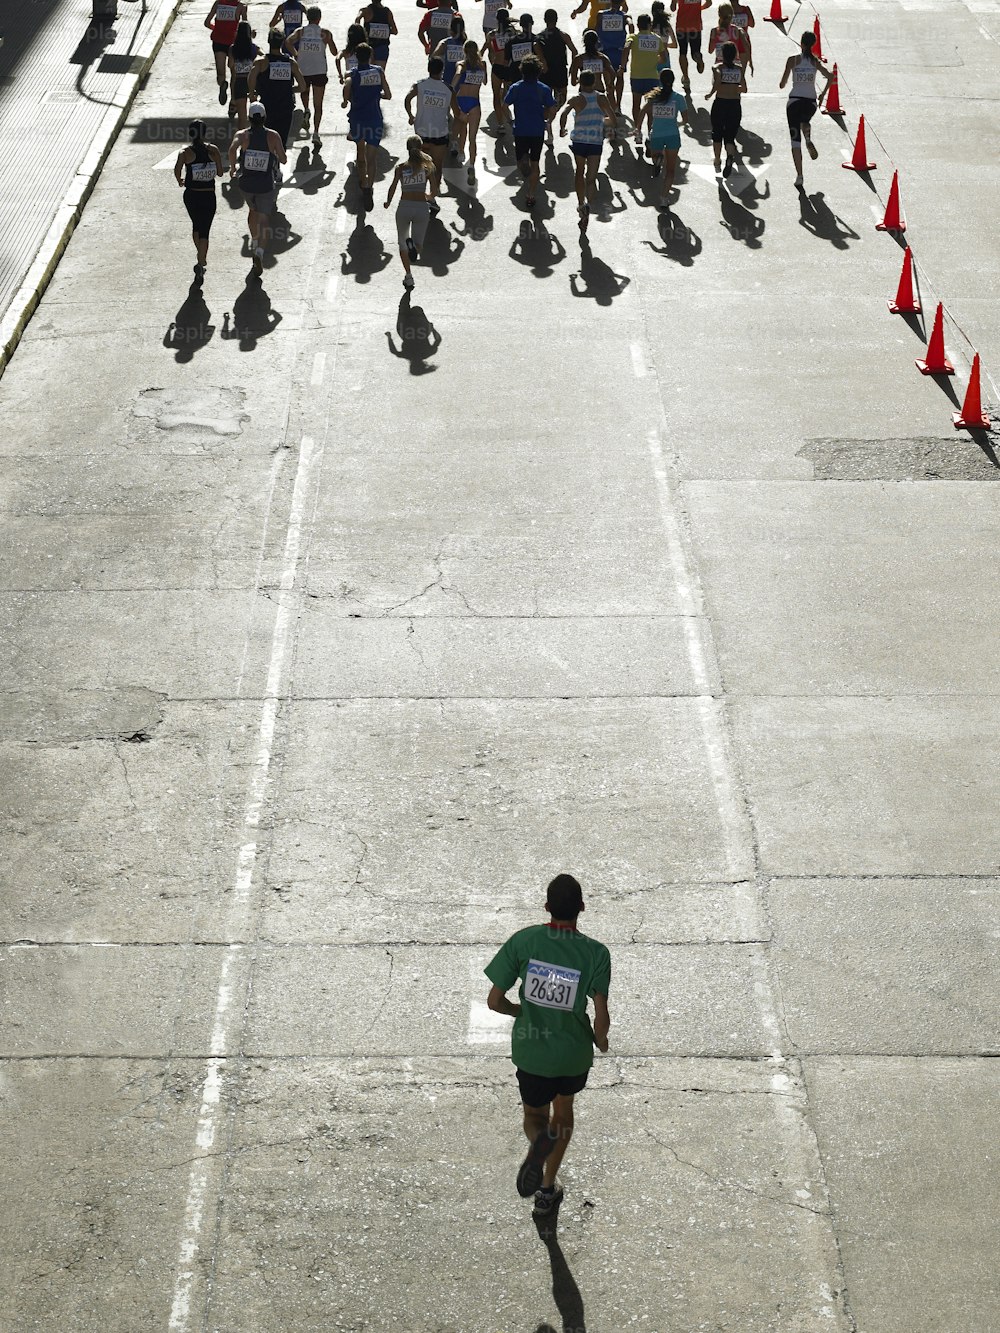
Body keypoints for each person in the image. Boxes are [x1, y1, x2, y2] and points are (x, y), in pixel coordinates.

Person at [484, 874, 611, 1219]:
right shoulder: (595, 953)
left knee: (535, 1116)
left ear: (547, 907)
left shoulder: (524, 941)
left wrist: (519, 1011)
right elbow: (601, 1015)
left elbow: (495, 1001)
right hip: (572, 1055)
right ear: (581, 908)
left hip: (533, 1052)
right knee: (563, 1112)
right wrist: (601, 1041)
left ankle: (539, 1146)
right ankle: (545, 1190)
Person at [228, 101, 286, 274]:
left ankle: (254, 240)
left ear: (249, 118)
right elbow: (283, 160)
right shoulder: (273, 136)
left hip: (246, 184)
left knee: (252, 211)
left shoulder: (243, 135)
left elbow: (232, 150)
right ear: (265, 117)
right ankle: (259, 252)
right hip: (265, 185)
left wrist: (233, 168)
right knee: (264, 219)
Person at [559, 70, 615, 229]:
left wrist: (562, 128)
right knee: (591, 178)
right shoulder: (601, 98)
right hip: (595, 142)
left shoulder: (576, 99)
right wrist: (602, 121)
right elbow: (613, 120)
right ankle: (588, 205)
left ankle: (580, 203)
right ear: (594, 82)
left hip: (579, 141)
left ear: (580, 83)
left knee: (579, 172)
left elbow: (564, 113)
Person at [384, 135, 438, 288]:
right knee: (418, 244)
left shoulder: (401, 168)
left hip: (404, 206)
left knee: (402, 243)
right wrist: (428, 197)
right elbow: (435, 190)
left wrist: (388, 202)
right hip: (421, 207)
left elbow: (393, 186)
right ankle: (413, 247)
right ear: (421, 148)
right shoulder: (427, 167)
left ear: (407, 149)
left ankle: (408, 276)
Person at [779, 28, 829, 187]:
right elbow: (831, 76)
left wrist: (786, 80)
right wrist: (822, 95)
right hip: (811, 102)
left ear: (801, 43)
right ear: (813, 45)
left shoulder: (792, 60)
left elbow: (782, 84)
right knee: (805, 120)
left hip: (794, 101)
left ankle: (800, 176)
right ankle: (808, 137)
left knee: (795, 140)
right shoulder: (815, 61)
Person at [503, 54, 555, 207]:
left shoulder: (516, 87)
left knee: (520, 163)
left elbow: (504, 106)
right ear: (538, 71)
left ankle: (526, 169)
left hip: (520, 131)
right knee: (536, 163)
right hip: (537, 131)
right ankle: (531, 193)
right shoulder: (544, 89)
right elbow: (552, 108)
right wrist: (548, 121)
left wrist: (510, 120)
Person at [343, 41, 391, 204]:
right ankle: (369, 187)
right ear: (370, 56)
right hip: (375, 119)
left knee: (360, 154)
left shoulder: (353, 75)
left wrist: (347, 99)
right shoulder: (378, 72)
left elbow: (347, 90)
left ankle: (363, 182)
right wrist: (377, 95)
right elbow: (388, 94)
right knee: (372, 157)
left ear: (356, 57)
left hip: (357, 119)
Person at [174, 119, 224, 278]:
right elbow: (221, 173)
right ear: (205, 134)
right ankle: (201, 259)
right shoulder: (213, 150)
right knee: (205, 230)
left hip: (192, 196)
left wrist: (180, 180)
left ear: (190, 134)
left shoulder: (185, 153)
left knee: (196, 225)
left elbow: (177, 170)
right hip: (209, 196)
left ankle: (200, 257)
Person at [638, 65, 689, 205]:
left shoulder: (654, 97)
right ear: (673, 81)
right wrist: (677, 124)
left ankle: (657, 160)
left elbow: (642, 112)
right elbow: (685, 119)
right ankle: (664, 197)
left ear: (660, 80)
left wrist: (637, 129)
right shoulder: (679, 98)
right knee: (671, 170)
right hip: (672, 135)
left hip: (657, 135)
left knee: (654, 156)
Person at [405, 56, 451, 209]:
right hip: (440, 134)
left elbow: (407, 99)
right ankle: (431, 198)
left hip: (422, 133)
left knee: (420, 166)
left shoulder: (420, 85)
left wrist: (411, 116)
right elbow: (457, 113)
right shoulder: (448, 89)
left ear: (428, 69)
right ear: (442, 71)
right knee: (436, 167)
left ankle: (418, 195)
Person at [286, 7, 337, 144]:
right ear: (319, 18)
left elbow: (287, 42)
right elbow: (334, 52)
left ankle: (306, 109)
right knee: (318, 105)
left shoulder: (301, 31)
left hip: (303, 70)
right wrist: (329, 42)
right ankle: (316, 133)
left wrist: (296, 54)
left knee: (304, 91)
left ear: (307, 17)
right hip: (319, 70)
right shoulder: (324, 33)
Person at [249, 29, 306, 148]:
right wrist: (290, 89)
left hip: (267, 106)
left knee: (266, 140)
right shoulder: (291, 62)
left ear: (269, 41)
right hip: (285, 107)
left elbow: (251, 77)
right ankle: (277, 163)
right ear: (282, 42)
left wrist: (252, 94)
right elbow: (302, 86)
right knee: (280, 141)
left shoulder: (261, 62)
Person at [622, 12, 669, 139]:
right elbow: (664, 58)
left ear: (637, 25)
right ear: (650, 25)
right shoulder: (657, 39)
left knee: (636, 104)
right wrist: (654, 61)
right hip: (652, 77)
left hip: (636, 76)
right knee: (651, 106)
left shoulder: (633, 37)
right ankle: (651, 132)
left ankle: (637, 132)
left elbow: (626, 47)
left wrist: (623, 64)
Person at [704, 38, 744, 176]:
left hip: (720, 103)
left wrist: (710, 94)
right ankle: (730, 156)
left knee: (717, 133)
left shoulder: (717, 68)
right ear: (735, 55)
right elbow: (744, 88)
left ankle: (717, 159)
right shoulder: (739, 69)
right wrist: (734, 88)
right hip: (734, 104)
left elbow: (717, 82)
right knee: (730, 136)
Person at [536, 10, 577, 133]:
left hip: (545, 73)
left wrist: (542, 63)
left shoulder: (539, 37)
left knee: (545, 101)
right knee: (562, 98)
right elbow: (574, 51)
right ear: (557, 19)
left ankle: (545, 120)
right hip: (560, 71)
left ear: (544, 20)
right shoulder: (563, 35)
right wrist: (573, 67)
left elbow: (536, 52)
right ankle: (549, 119)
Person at [452, 37, 487, 179]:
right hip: (474, 103)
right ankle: (472, 165)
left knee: (462, 129)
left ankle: (461, 151)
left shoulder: (461, 64)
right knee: (473, 137)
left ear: (464, 51)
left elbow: (458, 75)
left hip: (461, 100)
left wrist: (451, 86)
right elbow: (485, 81)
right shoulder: (482, 65)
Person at [205, 0, 249, 106]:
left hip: (218, 41)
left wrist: (217, 29)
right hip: (233, 44)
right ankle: (233, 101)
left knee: (220, 72)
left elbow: (207, 23)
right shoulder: (241, 7)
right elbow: (245, 27)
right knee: (234, 73)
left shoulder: (218, 3)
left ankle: (222, 85)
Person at [594, 0, 631, 112]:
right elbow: (631, 24)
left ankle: (612, 105)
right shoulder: (624, 16)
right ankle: (618, 106)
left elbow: (596, 30)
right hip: (619, 52)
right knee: (620, 77)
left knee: (608, 80)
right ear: (621, 3)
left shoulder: (601, 14)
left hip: (605, 52)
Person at [486, 9, 517, 132]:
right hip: (510, 68)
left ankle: (501, 124)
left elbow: (490, 53)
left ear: (496, 19)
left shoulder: (492, 35)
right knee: (511, 96)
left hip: (497, 68)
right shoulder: (514, 33)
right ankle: (512, 120)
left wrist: (493, 62)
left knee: (496, 96)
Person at [228, 21, 259, 128]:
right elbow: (264, 57)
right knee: (255, 113)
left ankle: (243, 140)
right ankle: (255, 137)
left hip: (239, 82)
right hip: (252, 81)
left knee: (242, 117)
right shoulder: (254, 48)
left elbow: (230, 65)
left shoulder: (233, 48)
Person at [669, 0, 708, 87]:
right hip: (696, 26)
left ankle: (686, 78)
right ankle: (698, 59)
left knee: (683, 52)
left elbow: (673, 8)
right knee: (695, 51)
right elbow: (709, 3)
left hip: (682, 26)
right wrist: (699, 8)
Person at [570, 28, 615, 100]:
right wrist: (610, 85)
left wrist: (579, 80)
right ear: (597, 42)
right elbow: (612, 73)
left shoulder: (578, 59)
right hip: (599, 90)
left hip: (584, 93)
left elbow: (573, 83)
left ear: (584, 42)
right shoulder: (603, 58)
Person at [433, 14, 468, 107]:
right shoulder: (466, 43)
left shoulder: (445, 42)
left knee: (447, 104)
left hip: (448, 77)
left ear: (451, 29)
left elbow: (434, 56)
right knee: (460, 107)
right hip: (464, 78)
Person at [708, 3, 750, 74]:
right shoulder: (736, 30)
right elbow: (746, 46)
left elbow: (710, 50)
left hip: (720, 64)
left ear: (719, 15)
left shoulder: (714, 31)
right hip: (735, 64)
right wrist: (750, 61)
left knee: (717, 84)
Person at [506, 13, 547, 81]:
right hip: (533, 77)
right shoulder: (537, 40)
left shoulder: (511, 41)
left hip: (516, 77)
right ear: (532, 23)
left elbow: (506, 61)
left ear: (520, 24)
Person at [358, 0, 398, 67]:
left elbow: (357, 19)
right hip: (382, 46)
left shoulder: (365, 10)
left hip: (367, 47)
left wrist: (360, 32)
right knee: (379, 72)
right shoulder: (387, 12)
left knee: (366, 72)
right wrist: (384, 30)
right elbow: (395, 31)